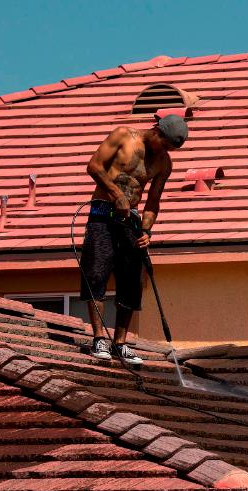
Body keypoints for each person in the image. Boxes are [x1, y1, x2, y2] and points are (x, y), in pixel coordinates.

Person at [79, 114, 187, 365]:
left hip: (131, 221)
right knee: (96, 274)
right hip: (102, 214)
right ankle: (98, 339)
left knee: (131, 280)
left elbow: (153, 201)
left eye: (171, 149)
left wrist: (147, 232)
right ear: (157, 131)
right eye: (166, 145)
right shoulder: (123, 136)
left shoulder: (164, 163)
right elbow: (94, 166)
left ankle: (121, 342)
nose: (166, 151)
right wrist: (116, 193)